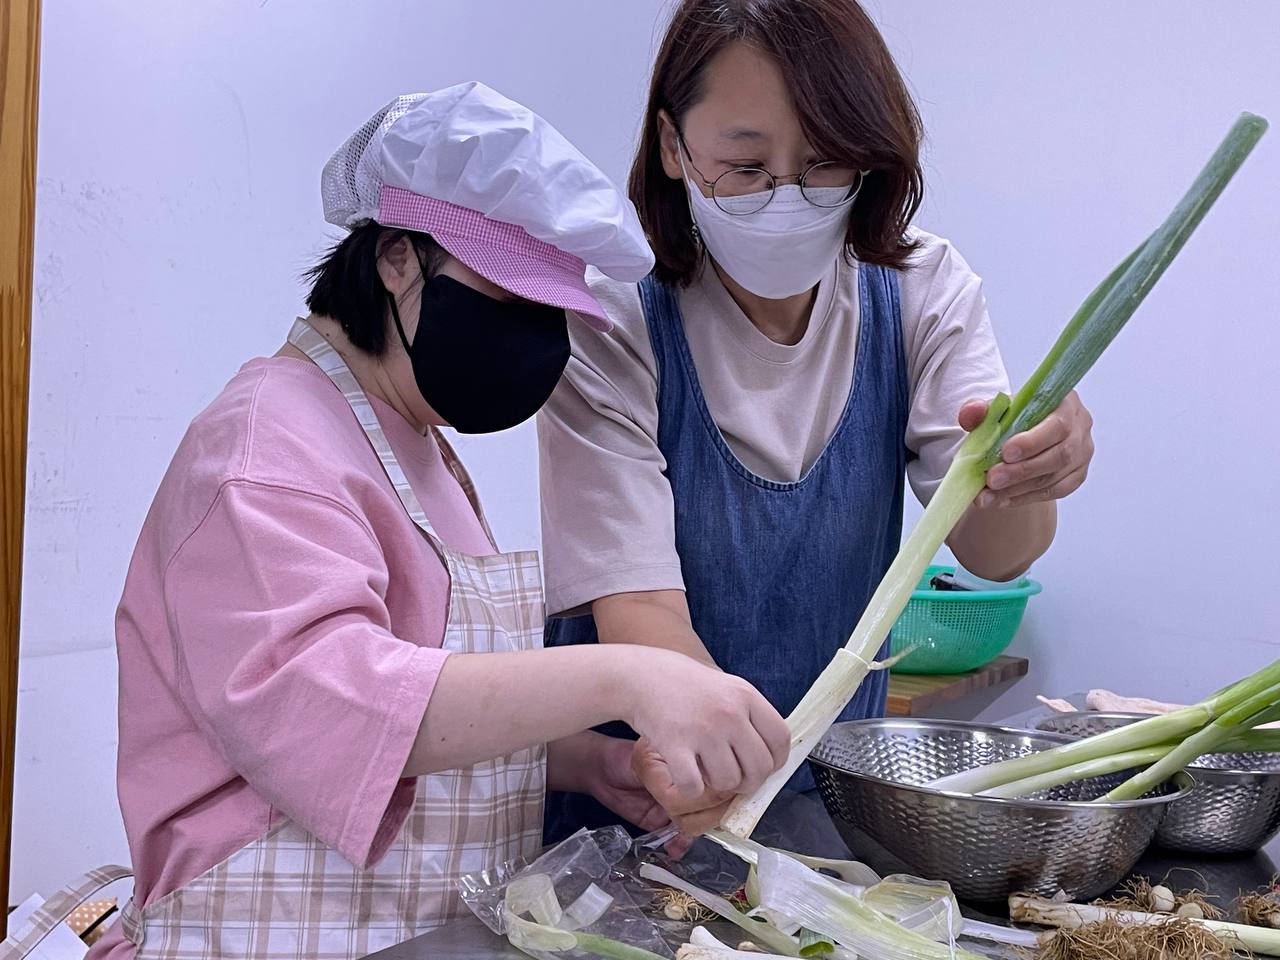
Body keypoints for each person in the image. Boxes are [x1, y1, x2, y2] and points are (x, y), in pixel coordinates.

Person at [87, 82, 789, 960]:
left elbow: (427, 707)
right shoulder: (265, 449)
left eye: (552, 315)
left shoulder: (408, 437)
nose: (536, 341)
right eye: (509, 300)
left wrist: (580, 761)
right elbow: (338, 708)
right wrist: (632, 675)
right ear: (395, 258)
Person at [538, 0, 1096, 843]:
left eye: (827, 164)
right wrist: (723, 809)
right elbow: (642, 614)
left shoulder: (921, 288)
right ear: (672, 146)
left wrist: (1029, 472)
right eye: (746, 165)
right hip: (641, 796)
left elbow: (997, 551)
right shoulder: (611, 314)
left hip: (824, 794)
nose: (789, 199)